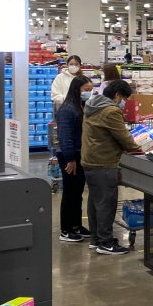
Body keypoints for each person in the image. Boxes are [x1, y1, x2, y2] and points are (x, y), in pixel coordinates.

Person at [81, 80, 141, 255]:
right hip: (104, 161)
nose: (124, 103)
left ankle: (96, 238)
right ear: (117, 95)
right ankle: (106, 242)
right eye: (124, 98)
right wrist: (140, 148)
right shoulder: (111, 111)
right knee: (106, 202)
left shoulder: (92, 105)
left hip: (89, 159)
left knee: (94, 201)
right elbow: (124, 138)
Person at [56, 75, 94, 243]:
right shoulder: (67, 109)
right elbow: (65, 136)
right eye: (86, 90)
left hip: (80, 154)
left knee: (77, 192)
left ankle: (77, 225)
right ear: (77, 89)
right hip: (69, 155)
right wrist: (70, 158)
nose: (89, 93)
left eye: (91, 90)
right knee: (70, 192)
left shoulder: (81, 106)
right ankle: (65, 229)